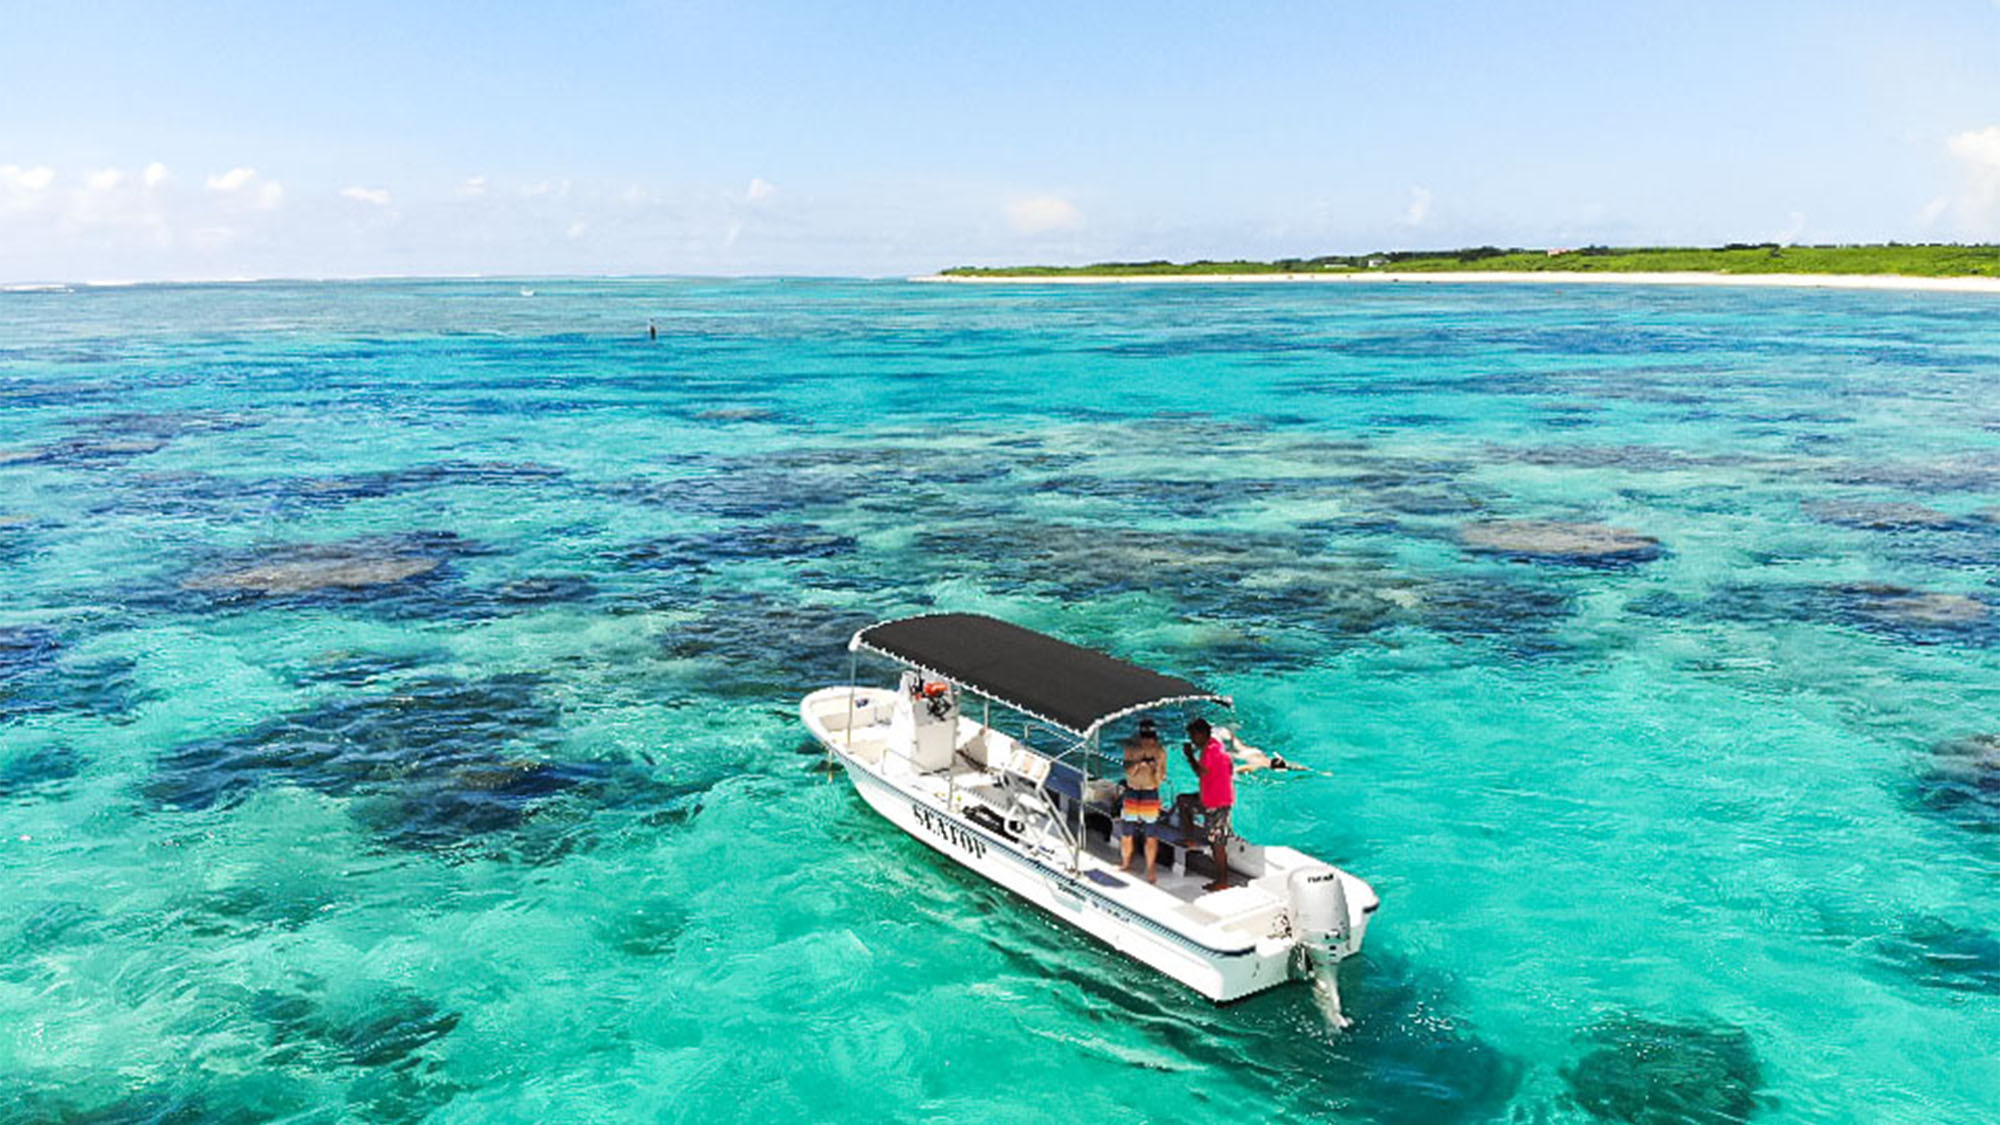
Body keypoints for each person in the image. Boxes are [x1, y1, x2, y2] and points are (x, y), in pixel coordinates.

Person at [1181, 718, 1235, 891]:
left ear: (1201, 734)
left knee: (1217, 844)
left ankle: (1222, 881)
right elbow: (1229, 768)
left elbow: (1201, 772)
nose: (1192, 740)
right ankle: (1190, 840)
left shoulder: (1210, 751)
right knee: (1183, 802)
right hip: (1212, 797)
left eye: (1193, 736)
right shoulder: (1217, 747)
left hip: (1217, 803)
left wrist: (1190, 756)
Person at [1119, 718, 1167, 882]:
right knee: (1127, 833)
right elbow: (1128, 773)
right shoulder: (1131, 749)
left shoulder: (1160, 752)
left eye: (1150, 738)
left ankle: (1151, 869)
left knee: (1151, 835)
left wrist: (1154, 768)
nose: (1148, 741)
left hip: (1149, 793)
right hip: (1132, 791)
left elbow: (1159, 780)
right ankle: (1126, 863)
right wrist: (1139, 763)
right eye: (1146, 737)